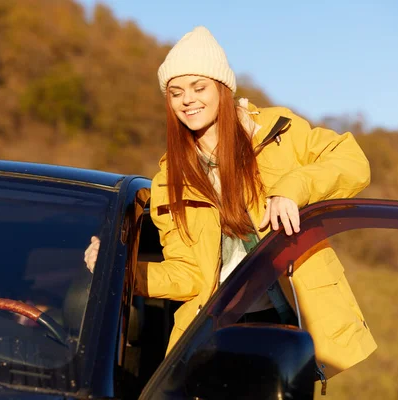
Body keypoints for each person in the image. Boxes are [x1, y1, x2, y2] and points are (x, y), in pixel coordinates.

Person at [84, 26, 376, 379]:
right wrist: (119, 267)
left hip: (291, 324)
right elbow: (187, 276)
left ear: (222, 88)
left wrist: (292, 188)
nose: (187, 100)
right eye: (176, 93)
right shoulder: (170, 180)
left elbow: (352, 162)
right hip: (216, 330)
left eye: (198, 87)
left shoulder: (278, 132)